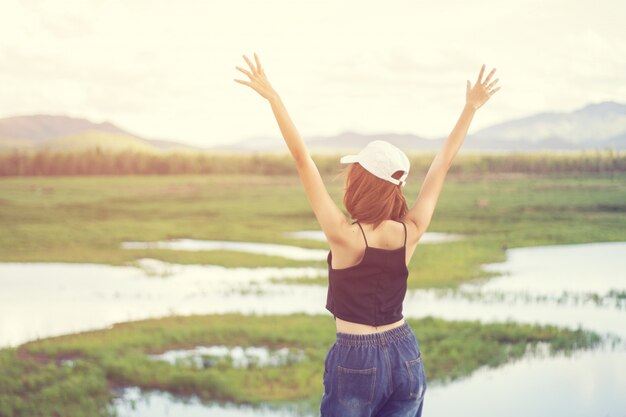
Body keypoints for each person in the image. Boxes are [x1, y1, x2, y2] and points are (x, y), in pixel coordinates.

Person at [234, 52, 500, 417]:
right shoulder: (411, 231)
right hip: (406, 352)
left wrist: (274, 98)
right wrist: (470, 108)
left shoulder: (346, 237)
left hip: (356, 357)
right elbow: (443, 164)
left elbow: (301, 159)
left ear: (360, 184)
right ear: (395, 188)